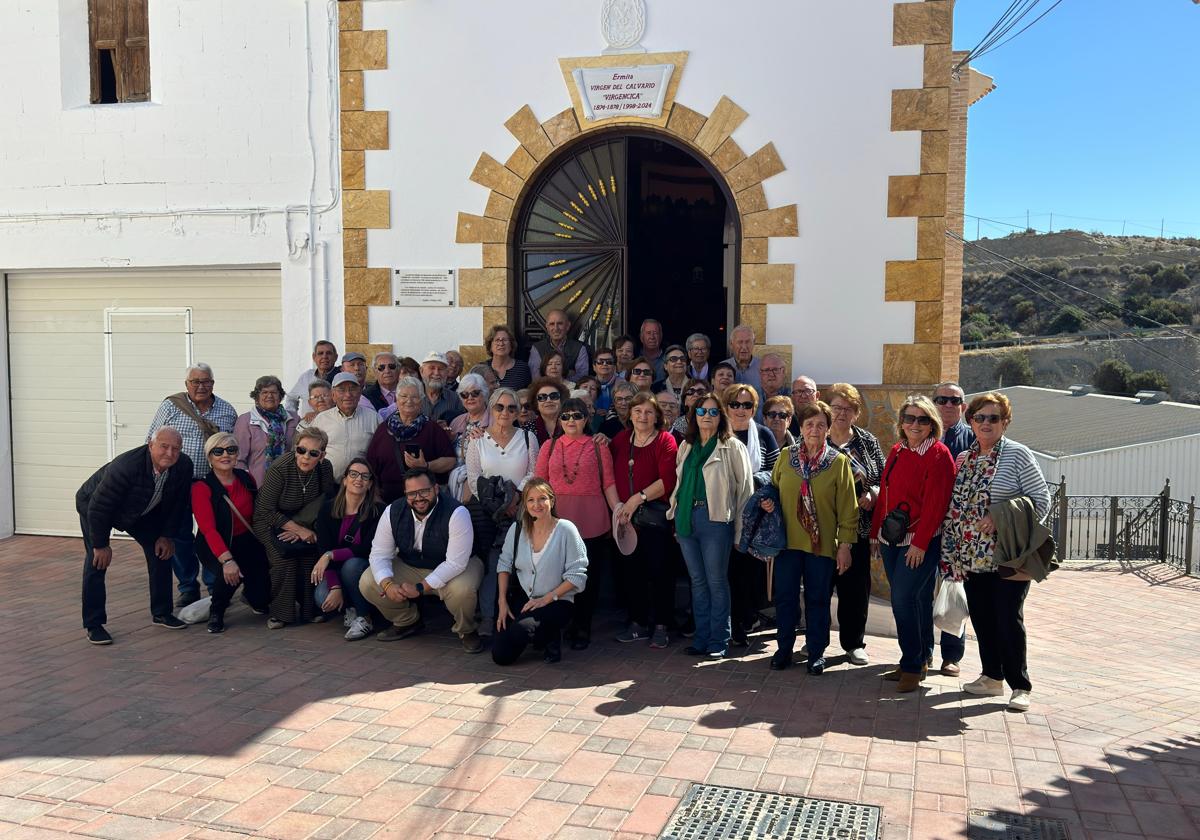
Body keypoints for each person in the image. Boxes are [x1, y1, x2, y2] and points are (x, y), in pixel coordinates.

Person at [942, 392, 1049, 713]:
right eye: (980, 417)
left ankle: (1020, 685)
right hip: (972, 554)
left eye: (994, 418)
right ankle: (991, 677)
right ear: (970, 421)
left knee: (1008, 618)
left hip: (1008, 554)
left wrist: (1000, 516)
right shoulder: (965, 458)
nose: (986, 423)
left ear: (1005, 422)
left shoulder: (1018, 454)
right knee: (984, 618)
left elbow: (1042, 500)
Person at [761, 402, 858, 674]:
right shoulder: (785, 457)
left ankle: (816, 652)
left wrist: (845, 546)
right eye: (809, 424)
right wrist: (769, 502)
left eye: (820, 424)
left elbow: (849, 510)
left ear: (828, 429)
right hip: (787, 544)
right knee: (785, 599)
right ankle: (783, 650)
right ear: (800, 428)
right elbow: (774, 490)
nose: (814, 429)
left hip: (822, 546)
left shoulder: (838, 463)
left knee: (817, 599)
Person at [870, 395, 956, 692]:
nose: (915, 424)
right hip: (889, 539)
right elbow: (885, 494)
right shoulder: (896, 450)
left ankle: (910, 664)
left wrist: (919, 545)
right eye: (909, 418)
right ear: (901, 423)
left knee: (902, 600)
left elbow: (936, 505)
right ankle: (922, 657)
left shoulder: (939, 455)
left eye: (922, 419)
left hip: (919, 542)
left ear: (932, 423)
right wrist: (873, 535)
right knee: (915, 600)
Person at [76, 428, 193, 644]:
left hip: (140, 510)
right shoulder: (126, 466)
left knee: (161, 552)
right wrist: (101, 544)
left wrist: (166, 535)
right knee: (97, 562)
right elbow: (99, 507)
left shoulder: (184, 466)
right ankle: (94, 624)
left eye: (175, 448)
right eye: (164, 446)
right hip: (96, 507)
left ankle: (162, 612)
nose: (169, 453)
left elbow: (178, 505)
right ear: (150, 445)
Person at [359, 467, 484, 653]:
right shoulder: (393, 511)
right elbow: (379, 554)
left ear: (435, 489)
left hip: (457, 565)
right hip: (412, 564)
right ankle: (407, 621)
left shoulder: (457, 512)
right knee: (368, 582)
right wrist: (387, 585)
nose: (418, 498)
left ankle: (466, 630)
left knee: (462, 590)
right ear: (405, 494)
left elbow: (455, 563)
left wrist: (420, 588)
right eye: (412, 493)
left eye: (424, 491)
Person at [668, 390, 753, 659]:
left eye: (713, 412)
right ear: (694, 416)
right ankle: (701, 637)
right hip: (686, 520)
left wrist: (741, 530)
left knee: (716, 581)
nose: (707, 416)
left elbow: (745, 492)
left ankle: (719, 639)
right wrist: (675, 513)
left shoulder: (732, 446)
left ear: (721, 416)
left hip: (716, 520)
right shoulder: (686, 445)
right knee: (697, 581)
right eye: (701, 411)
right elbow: (679, 484)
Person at [147, 362, 238, 607]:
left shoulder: (227, 411)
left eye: (206, 381)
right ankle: (188, 586)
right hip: (177, 482)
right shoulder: (171, 406)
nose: (201, 386)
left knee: (212, 532)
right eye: (195, 382)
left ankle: (214, 583)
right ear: (186, 384)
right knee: (180, 535)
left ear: (213, 384)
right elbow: (151, 440)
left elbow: (234, 447)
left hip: (211, 483)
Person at [535, 397, 619, 650]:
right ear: (559, 420)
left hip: (591, 517)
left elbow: (609, 483)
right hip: (557, 518)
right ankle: (562, 623)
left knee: (587, 576)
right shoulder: (548, 447)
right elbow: (539, 485)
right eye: (566, 416)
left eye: (577, 415)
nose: (571, 420)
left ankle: (583, 626)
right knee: (557, 575)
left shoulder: (597, 446)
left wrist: (620, 512)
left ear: (587, 419)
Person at [466, 388, 540, 634]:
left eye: (511, 408)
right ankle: (488, 615)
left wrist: (515, 498)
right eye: (500, 407)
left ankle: (519, 613)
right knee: (492, 562)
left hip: (520, 510)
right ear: (491, 408)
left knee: (519, 561)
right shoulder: (476, 439)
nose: (505, 412)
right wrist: (497, 504)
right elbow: (474, 478)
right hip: (487, 513)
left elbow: (533, 472)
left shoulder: (528, 438)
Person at [494, 479, 589, 665]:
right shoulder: (517, 529)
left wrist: (547, 598)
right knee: (501, 656)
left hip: (557, 600)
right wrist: (502, 602)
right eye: (530, 500)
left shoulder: (566, 529)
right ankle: (537, 634)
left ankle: (549, 636)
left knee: (520, 630)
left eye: (542, 498)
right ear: (524, 504)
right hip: (525, 597)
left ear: (552, 501)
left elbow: (577, 574)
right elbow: (504, 565)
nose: (536, 505)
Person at [610, 393, 678, 648]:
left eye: (649, 412)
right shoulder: (621, 440)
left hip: (655, 520)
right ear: (630, 414)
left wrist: (636, 499)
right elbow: (607, 464)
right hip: (627, 521)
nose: (642, 416)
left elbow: (667, 481)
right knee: (632, 572)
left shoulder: (665, 440)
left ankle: (661, 625)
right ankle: (637, 622)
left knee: (661, 572)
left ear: (657, 416)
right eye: (637, 411)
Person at [825, 384, 886, 666]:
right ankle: (816, 640)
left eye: (848, 408)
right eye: (836, 407)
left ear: (857, 413)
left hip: (859, 528)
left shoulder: (867, 441)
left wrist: (872, 494)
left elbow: (884, 478)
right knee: (819, 588)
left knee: (855, 589)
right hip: (822, 529)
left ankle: (853, 644)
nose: (841, 413)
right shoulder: (817, 438)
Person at [252, 428, 336, 628]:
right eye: (301, 450)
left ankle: (310, 611)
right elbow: (265, 509)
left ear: (322, 455)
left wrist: (310, 530)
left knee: (309, 558)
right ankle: (281, 614)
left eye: (313, 453)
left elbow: (326, 503)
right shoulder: (280, 468)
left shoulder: (324, 468)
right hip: (270, 520)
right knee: (284, 560)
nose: (305, 457)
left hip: (306, 520)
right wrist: (299, 531)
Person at [192, 433, 270, 634]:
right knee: (227, 576)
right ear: (209, 457)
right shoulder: (202, 487)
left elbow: (257, 513)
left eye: (231, 450)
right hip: (215, 542)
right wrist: (227, 561)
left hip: (245, 537)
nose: (225, 455)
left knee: (261, 594)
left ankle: (250, 595)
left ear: (237, 455)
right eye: (218, 451)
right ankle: (216, 611)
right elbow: (208, 529)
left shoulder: (246, 478)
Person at [724, 383, 779, 645]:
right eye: (735, 404)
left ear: (754, 408)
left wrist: (765, 494)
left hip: (756, 517)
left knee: (748, 575)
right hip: (722, 515)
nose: (740, 409)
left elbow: (776, 474)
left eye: (747, 405)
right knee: (726, 573)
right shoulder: (717, 433)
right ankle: (731, 626)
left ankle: (744, 622)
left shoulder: (764, 435)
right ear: (727, 407)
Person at [311, 457, 382, 641]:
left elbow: (366, 549)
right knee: (322, 596)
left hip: (363, 567)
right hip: (338, 569)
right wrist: (334, 586)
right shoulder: (327, 509)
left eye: (365, 476)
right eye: (353, 474)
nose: (358, 479)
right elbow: (324, 548)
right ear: (344, 479)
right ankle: (351, 607)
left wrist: (331, 555)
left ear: (369, 484)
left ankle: (365, 617)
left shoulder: (378, 511)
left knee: (351, 566)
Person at [933, 380, 975, 676]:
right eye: (942, 399)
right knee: (922, 592)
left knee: (955, 592)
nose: (948, 405)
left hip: (957, 533)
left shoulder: (973, 440)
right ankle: (921, 652)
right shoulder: (921, 435)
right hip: (923, 529)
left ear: (963, 406)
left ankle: (951, 656)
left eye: (954, 400)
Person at [366, 376, 456, 501]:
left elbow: (450, 461)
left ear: (421, 400)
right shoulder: (383, 429)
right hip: (388, 501)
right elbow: (371, 466)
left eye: (414, 397)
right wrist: (375, 498)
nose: (409, 401)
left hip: (423, 500)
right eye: (404, 396)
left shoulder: (432, 428)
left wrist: (426, 465)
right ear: (396, 399)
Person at [310, 372, 381, 477]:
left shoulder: (374, 418)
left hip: (361, 483)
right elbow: (310, 450)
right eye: (341, 390)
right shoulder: (321, 419)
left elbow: (382, 453)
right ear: (333, 395)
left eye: (352, 389)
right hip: (328, 483)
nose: (348, 395)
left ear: (360, 393)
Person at [233, 375, 299, 485]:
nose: (269, 396)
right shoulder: (245, 421)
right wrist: (247, 483)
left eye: (274, 392)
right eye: (264, 392)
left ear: (280, 395)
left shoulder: (294, 419)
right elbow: (238, 459)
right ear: (257, 397)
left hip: (289, 485)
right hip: (257, 485)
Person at [528, 309, 589, 381]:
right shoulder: (537, 348)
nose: (556, 328)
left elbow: (582, 378)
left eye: (560, 323)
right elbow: (536, 379)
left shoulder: (579, 348)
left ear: (568, 326)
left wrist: (552, 377)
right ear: (547, 327)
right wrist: (568, 373)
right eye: (552, 324)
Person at [285, 340, 340, 414]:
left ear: (336, 357)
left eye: (328, 353)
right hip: (308, 424)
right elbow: (291, 398)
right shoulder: (306, 377)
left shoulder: (341, 377)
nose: (324, 356)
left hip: (334, 424)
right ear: (314, 357)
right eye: (320, 353)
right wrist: (292, 417)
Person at [486, 325, 532, 390]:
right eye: (497, 340)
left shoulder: (522, 368)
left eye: (504, 340)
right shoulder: (482, 368)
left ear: (511, 345)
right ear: (490, 346)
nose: (501, 344)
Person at [529, 377, 568, 444]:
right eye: (542, 397)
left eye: (554, 396)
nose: (549, 400)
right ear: (536, 403)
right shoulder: (527, 430)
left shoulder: (571, 423)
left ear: (561, 400)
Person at [722, 324, 761, 392]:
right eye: (740, 342)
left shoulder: (763, 367)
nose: (744, 347)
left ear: (754, 343)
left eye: (748, 342)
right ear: (731, 344)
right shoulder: (721, 368)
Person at [755, 353, 790, 422]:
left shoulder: (793, 396)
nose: (771, 374)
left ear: (783, 372)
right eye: (766, 370)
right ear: (760, 373)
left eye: (775, 370)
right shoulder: (751, 397)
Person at [591, 347, 620, 413]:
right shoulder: (587, 385)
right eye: (601, 362)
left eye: (609, 362)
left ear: (615, 367)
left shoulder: (623, 385)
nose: (604, 364)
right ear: (594, 367)